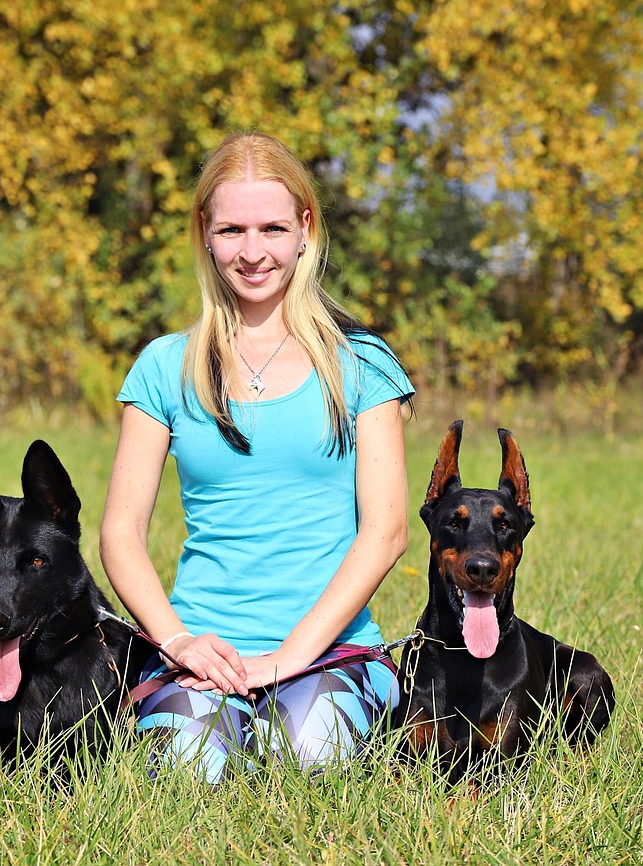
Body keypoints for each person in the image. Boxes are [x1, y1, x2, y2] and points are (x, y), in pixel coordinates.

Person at [99, 132, 413, 783]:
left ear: (305, 229)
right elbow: (120, 534)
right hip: (201, 655)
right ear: (206, 236)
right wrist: (178, 643)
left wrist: (290, 658)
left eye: (271, 227)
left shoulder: (363, 365)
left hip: (334, 653)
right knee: (189, 771)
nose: (251, 252)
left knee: (311, 756)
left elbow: (386, 533)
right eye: (232, 229)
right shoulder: (164, 366)